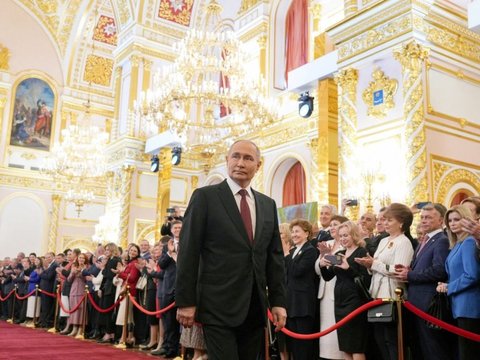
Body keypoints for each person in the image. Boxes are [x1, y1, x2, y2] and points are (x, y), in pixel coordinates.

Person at [175, 139, 287, 360]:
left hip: (254, 306)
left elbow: (274, 258)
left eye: (248, 158)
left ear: (259, 165)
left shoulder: (267, 204)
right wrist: (186, 301)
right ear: (227, 160)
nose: (240, 163)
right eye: (235, 156)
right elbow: (188, 251)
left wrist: (278, 302)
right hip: (216, 304)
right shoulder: (205, 197)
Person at [355, 203, 414, 360]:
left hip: (393, 296)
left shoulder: (404, 242)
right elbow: (378, 265)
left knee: (392, 340)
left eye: (389, 220)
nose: (385, 223)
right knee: (380, 339)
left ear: (401, 222)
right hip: (377, 295)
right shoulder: (383, 240)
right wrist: (369, 264)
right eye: (384, 220)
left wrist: (374, 264)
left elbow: (399, 270)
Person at [394, 203, 453, 360]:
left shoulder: (441, 240)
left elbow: (439, 270)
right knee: (419, 349)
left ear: (441, 220)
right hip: (416, 303)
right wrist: (409, 269)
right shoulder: (425, 241)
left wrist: (410, 275)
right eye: (422, 217)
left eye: (429, 217)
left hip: (428, 304)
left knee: (433, 349)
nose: (424, 221)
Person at [322, 221, 370, 360]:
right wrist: (322, 263)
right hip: (339, 302)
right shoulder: (340, 253)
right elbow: (328, 276)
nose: (343, 238)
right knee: (345, 346)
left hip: (355, 301)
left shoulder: (362, 252)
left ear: (354, 235)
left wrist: (348, 268)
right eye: (341, 236)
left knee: (356, 345)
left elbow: (365, 280)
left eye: (346, 235)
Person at [437, 205, 480, 360]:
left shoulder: (468, 242)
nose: (453, 223)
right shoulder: (457, 244)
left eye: (457, 219)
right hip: (459, 305)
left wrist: (449, 287)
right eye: (450, 220)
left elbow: (472, 275)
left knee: (469, 353)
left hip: (469, 305)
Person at [315, 214, 348, 360]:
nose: (332, 227)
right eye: (331, 225)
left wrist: (327, 257)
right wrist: (322, 258)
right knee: (325, 332)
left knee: (337, 331)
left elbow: (344, 261)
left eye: (336, 224)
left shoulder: (345, 243)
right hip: (325, 291)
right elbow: (317, 268)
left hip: (339, 289)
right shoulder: (326, 242)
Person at [285, 219, 318, 360]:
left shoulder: (310, 251)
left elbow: (297, 271)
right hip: (291, 302)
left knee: (304, 344)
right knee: (294, 345)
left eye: (297, 231)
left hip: (303, 303)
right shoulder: (293, 251)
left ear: (307, 233)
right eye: (292, 232)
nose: (294, 234)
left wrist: (286, 255)